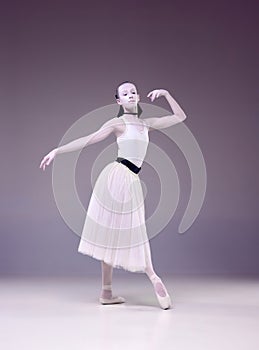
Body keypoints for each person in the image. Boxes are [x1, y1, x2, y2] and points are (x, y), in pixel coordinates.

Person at [39, 81, 187, 309]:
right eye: (125, 93)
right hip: (117, 177)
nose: (131, 95)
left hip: (131, 179)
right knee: (122, 231)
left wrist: (167, 93)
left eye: (134, 92)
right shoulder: (117, 124)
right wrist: (57, 150)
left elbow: (180, 116)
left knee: (123, 231)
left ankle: (107, 293)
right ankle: (152, 276)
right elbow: (88, 139)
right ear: (118, 101)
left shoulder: (146, 124)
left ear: (138, 98)